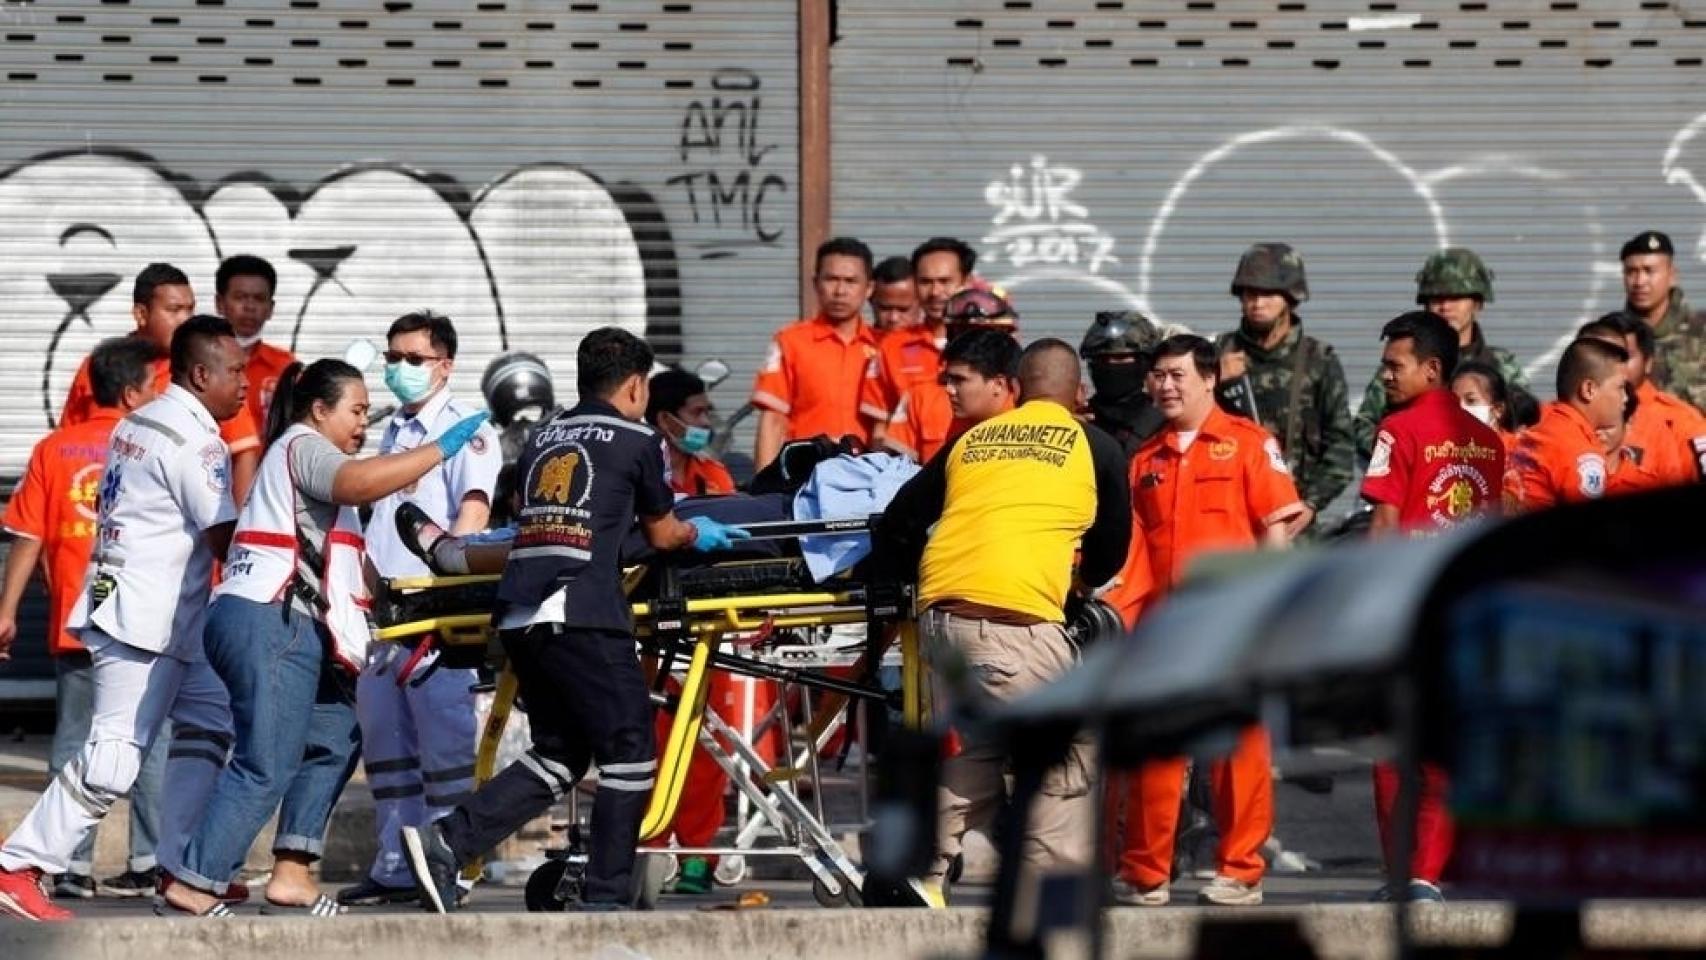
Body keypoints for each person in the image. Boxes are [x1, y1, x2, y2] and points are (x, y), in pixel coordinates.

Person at [400, 327, 751, 914]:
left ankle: (446, 842)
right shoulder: (639, 440)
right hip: (581, 613)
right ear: (636, 385)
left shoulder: (543, 436)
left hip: (520, 614)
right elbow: (664, 533)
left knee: (561, 754)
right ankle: (605, 899)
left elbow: (553, 523)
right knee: (631, 752)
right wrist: (697, 532)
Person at [158, 360, 489, 918]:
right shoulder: (303, 446)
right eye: (356, 411)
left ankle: (292, 873)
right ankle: (196, 880)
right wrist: (440, 449)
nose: (364, 423)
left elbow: (352, 567)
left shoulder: (321, 472)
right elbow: (358, 482)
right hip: (269, 617)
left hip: (305, 629)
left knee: (335, 738)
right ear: (319, 410)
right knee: (267, 760)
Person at [0, 316, 248, 922]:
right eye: (236, 372)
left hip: (156, 615)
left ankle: (181, 868)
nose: (245, 385)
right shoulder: (196, 441)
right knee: (115, 755)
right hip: (149, 619)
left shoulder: (141, 421)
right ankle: (19, 865)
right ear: (200, 373)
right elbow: (223, 536)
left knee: (211, 726)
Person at [873, 338, 1130, 907]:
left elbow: (900, 519)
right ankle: (1049, 908)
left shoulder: (973, 439)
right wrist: (1077, 590)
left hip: (941, 623)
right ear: (1078, 394)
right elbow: (1112, 551)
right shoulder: (1096, 446)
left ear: (1017, 387)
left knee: (978, 750)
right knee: (1067, 763)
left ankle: (922, 874)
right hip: (1013, 621)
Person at [1112, 335, 1305, 908]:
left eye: (1176, 375)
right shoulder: (1145, 459)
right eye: (1158, 376)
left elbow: (1276, 530)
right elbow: (1132, 551)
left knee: (1238, 755)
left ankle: (1240, 870)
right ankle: (1147, 873)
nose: (1164, 386)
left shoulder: (1249, 444)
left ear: (1208, 380)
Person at [341, 311, 502, 907]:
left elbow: (474, 512)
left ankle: (449, 867)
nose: (399, 369)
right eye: (393, 358)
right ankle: (394, 866)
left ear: (444, 365)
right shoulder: (395, 430)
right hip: (384, 613)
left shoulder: (466, 428)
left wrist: (452, 592)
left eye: (414, 359)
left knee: (444, 754)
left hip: (433, 612)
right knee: (389, 754)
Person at [0, 337, 168, 900]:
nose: (161, 395)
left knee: (75, 739)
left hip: (76, 620)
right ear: (129, 392)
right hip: (142, 621)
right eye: (154, 386)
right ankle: (150, 861)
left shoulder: (54, 448)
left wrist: (6, 613)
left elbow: (27, 537)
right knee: (145, 739)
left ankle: (68, 866)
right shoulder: (151, 445)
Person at [1359, 312, 1505, 903]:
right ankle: (1426, 876)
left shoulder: (1397, 429)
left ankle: (1402, 876)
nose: (1386, 375)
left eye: (1395, 365)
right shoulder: (1490, 442)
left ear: (1432, 368)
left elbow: (1386, 521)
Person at [60, 263, 264, 504]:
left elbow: (243, 450)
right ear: (141, 314)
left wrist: (236, 526)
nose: (185, 319)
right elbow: (67, 446)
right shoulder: (99, 366)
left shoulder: (203, 370)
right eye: (174, 310)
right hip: (99, 513)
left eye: (190, 309)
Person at [1213, 243, 1351, 540]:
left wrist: (1310, 505)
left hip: (1292, 523)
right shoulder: (1218, 354)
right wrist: (1214, 379)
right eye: (1249, 293)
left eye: (1267, 293)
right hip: (1228, 518)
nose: (1257, 302)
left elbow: (1340, 448)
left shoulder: (1318, 360)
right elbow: (1179, 423)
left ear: (1290, 298)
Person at [1356, 248, 1532, 461]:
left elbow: (1526, 430)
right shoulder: (1403, 366)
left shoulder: (1503, 367)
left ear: (1477, 303)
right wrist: (1403, 454)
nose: (1445, 307)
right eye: (1436, 298)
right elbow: (1364, 426)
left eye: (1456, 297)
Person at [751, 238, 881, 472]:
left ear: (869, 288)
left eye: (851, 281)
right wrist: (764, 487)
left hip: (868, 477)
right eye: (831, 279)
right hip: (806, 475)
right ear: (815, 283)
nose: (840, 291)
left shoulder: (885, 347)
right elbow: (773, 419)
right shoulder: (790, 341)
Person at [862, 238, 977, 446]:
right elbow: (879, 428)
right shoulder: (892, 348)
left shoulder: (989, 346)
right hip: (916, 471)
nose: (934, 292)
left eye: (944, 281)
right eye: (925, 282)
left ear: (966, 281)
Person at [883, 292, 1020, 463]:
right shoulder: (919, 396)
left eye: (988, 337)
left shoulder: (1030, 406)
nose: (974, 346)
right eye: (963, 334)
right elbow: (897, 469)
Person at [1504, 338, 1633, 511]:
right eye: (1620, 387)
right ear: (1589, 390)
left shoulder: (1540, 428)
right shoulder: (1581, 454)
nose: (1625, 398)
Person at [1575, 315, 1698, 489]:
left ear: (1648, 362)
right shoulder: (1551, 420)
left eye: (1623, 356)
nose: (1606, 365)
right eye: (1597, 355)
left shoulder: (1681, 421)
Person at [1619, 230, 1706, 411]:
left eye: (1649, 271)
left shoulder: (1701, 331)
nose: (1640, 281)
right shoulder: (1611, 337)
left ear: (1672, 275)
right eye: (1631, 272)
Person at [215, 254, 296, 432]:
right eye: (240, 297)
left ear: (271, 308)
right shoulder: (195, 361)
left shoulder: (286, 366)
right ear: (219, 303)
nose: (250, 307)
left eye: (259, 299)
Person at [1081, 311, 1167, 458]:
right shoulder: (1079, 420)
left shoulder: (1164, 422)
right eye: (1102, 359)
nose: (1110, 365)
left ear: (1145, 363)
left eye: (1121, 357)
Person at [648, 367, 736, 498]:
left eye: (707, 412)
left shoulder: (713, 473)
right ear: (665, 420)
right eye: (697, 412)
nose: (706, 422)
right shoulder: (638, 475)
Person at [1450, 361, 1523, 452]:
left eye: (1471, 400)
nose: (1461, 408)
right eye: (1454, 401)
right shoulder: (1445, 452)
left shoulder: (1519, 454)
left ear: (1498, 410)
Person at [869, 255, 922, 332]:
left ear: (921, 303)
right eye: (885, 309)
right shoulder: (857, 343)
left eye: (903, 310)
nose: (893, 318)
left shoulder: (935, 343)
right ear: (871, 300)